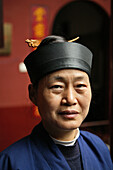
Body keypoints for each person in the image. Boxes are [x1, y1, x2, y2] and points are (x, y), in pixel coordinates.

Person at [0, 35, 112, 170]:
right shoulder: (10, 162)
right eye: (57, 86)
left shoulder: (99, 148)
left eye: (80, 86)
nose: (70, 99)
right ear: (33, 94)